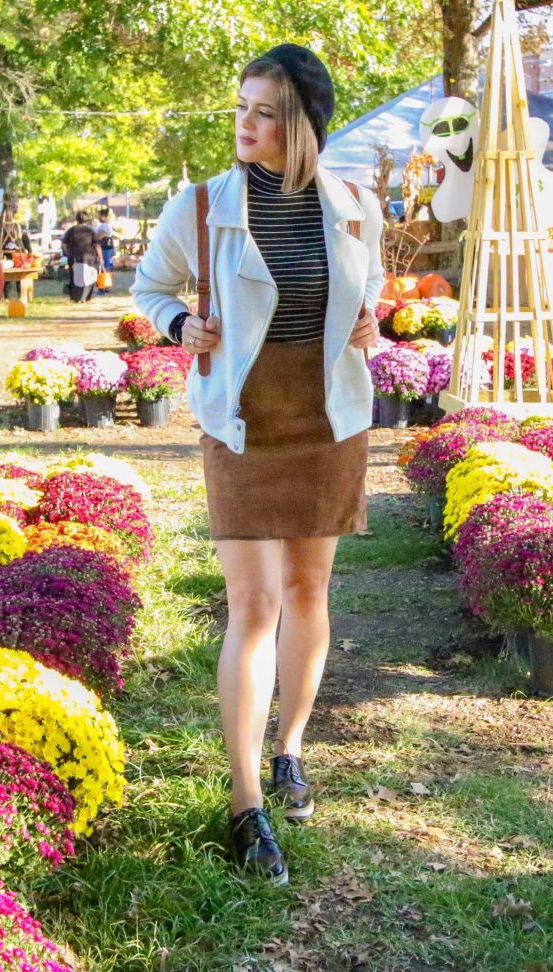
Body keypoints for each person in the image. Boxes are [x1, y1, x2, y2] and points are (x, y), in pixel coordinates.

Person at [132, 43, 383, 885]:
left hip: (328, 418)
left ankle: (290, 748)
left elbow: (364, 299)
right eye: (240, 107)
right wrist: (179, 325)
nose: (244, 124)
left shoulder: (353, 205)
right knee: (255, 601)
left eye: (264, 111)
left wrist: (365, 328)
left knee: (310, 592)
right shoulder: (199, 207)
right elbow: (150, 288)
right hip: (242, 422)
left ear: (303, 121)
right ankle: (246, 805)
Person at [62, 211, 102, 302]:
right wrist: (101, 257)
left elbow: (64, 243)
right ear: (86, 220)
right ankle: (86, 297)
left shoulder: (71, 230)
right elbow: (97, 245)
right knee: (90, 275)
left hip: (74, 256)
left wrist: (67, 253)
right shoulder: (90, 230)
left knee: (75, 276)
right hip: (89, 256)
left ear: (77, 219)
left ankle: (75, 297)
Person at [95, 208, 115, 293]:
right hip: (110, 248)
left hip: (105, 249)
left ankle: (104, 285)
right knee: (108, 267)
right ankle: (107, 285)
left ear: (103, 216)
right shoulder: (109, 225)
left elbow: (101, 235)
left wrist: (94, 239)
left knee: (104, 267)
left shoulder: (103, 226)